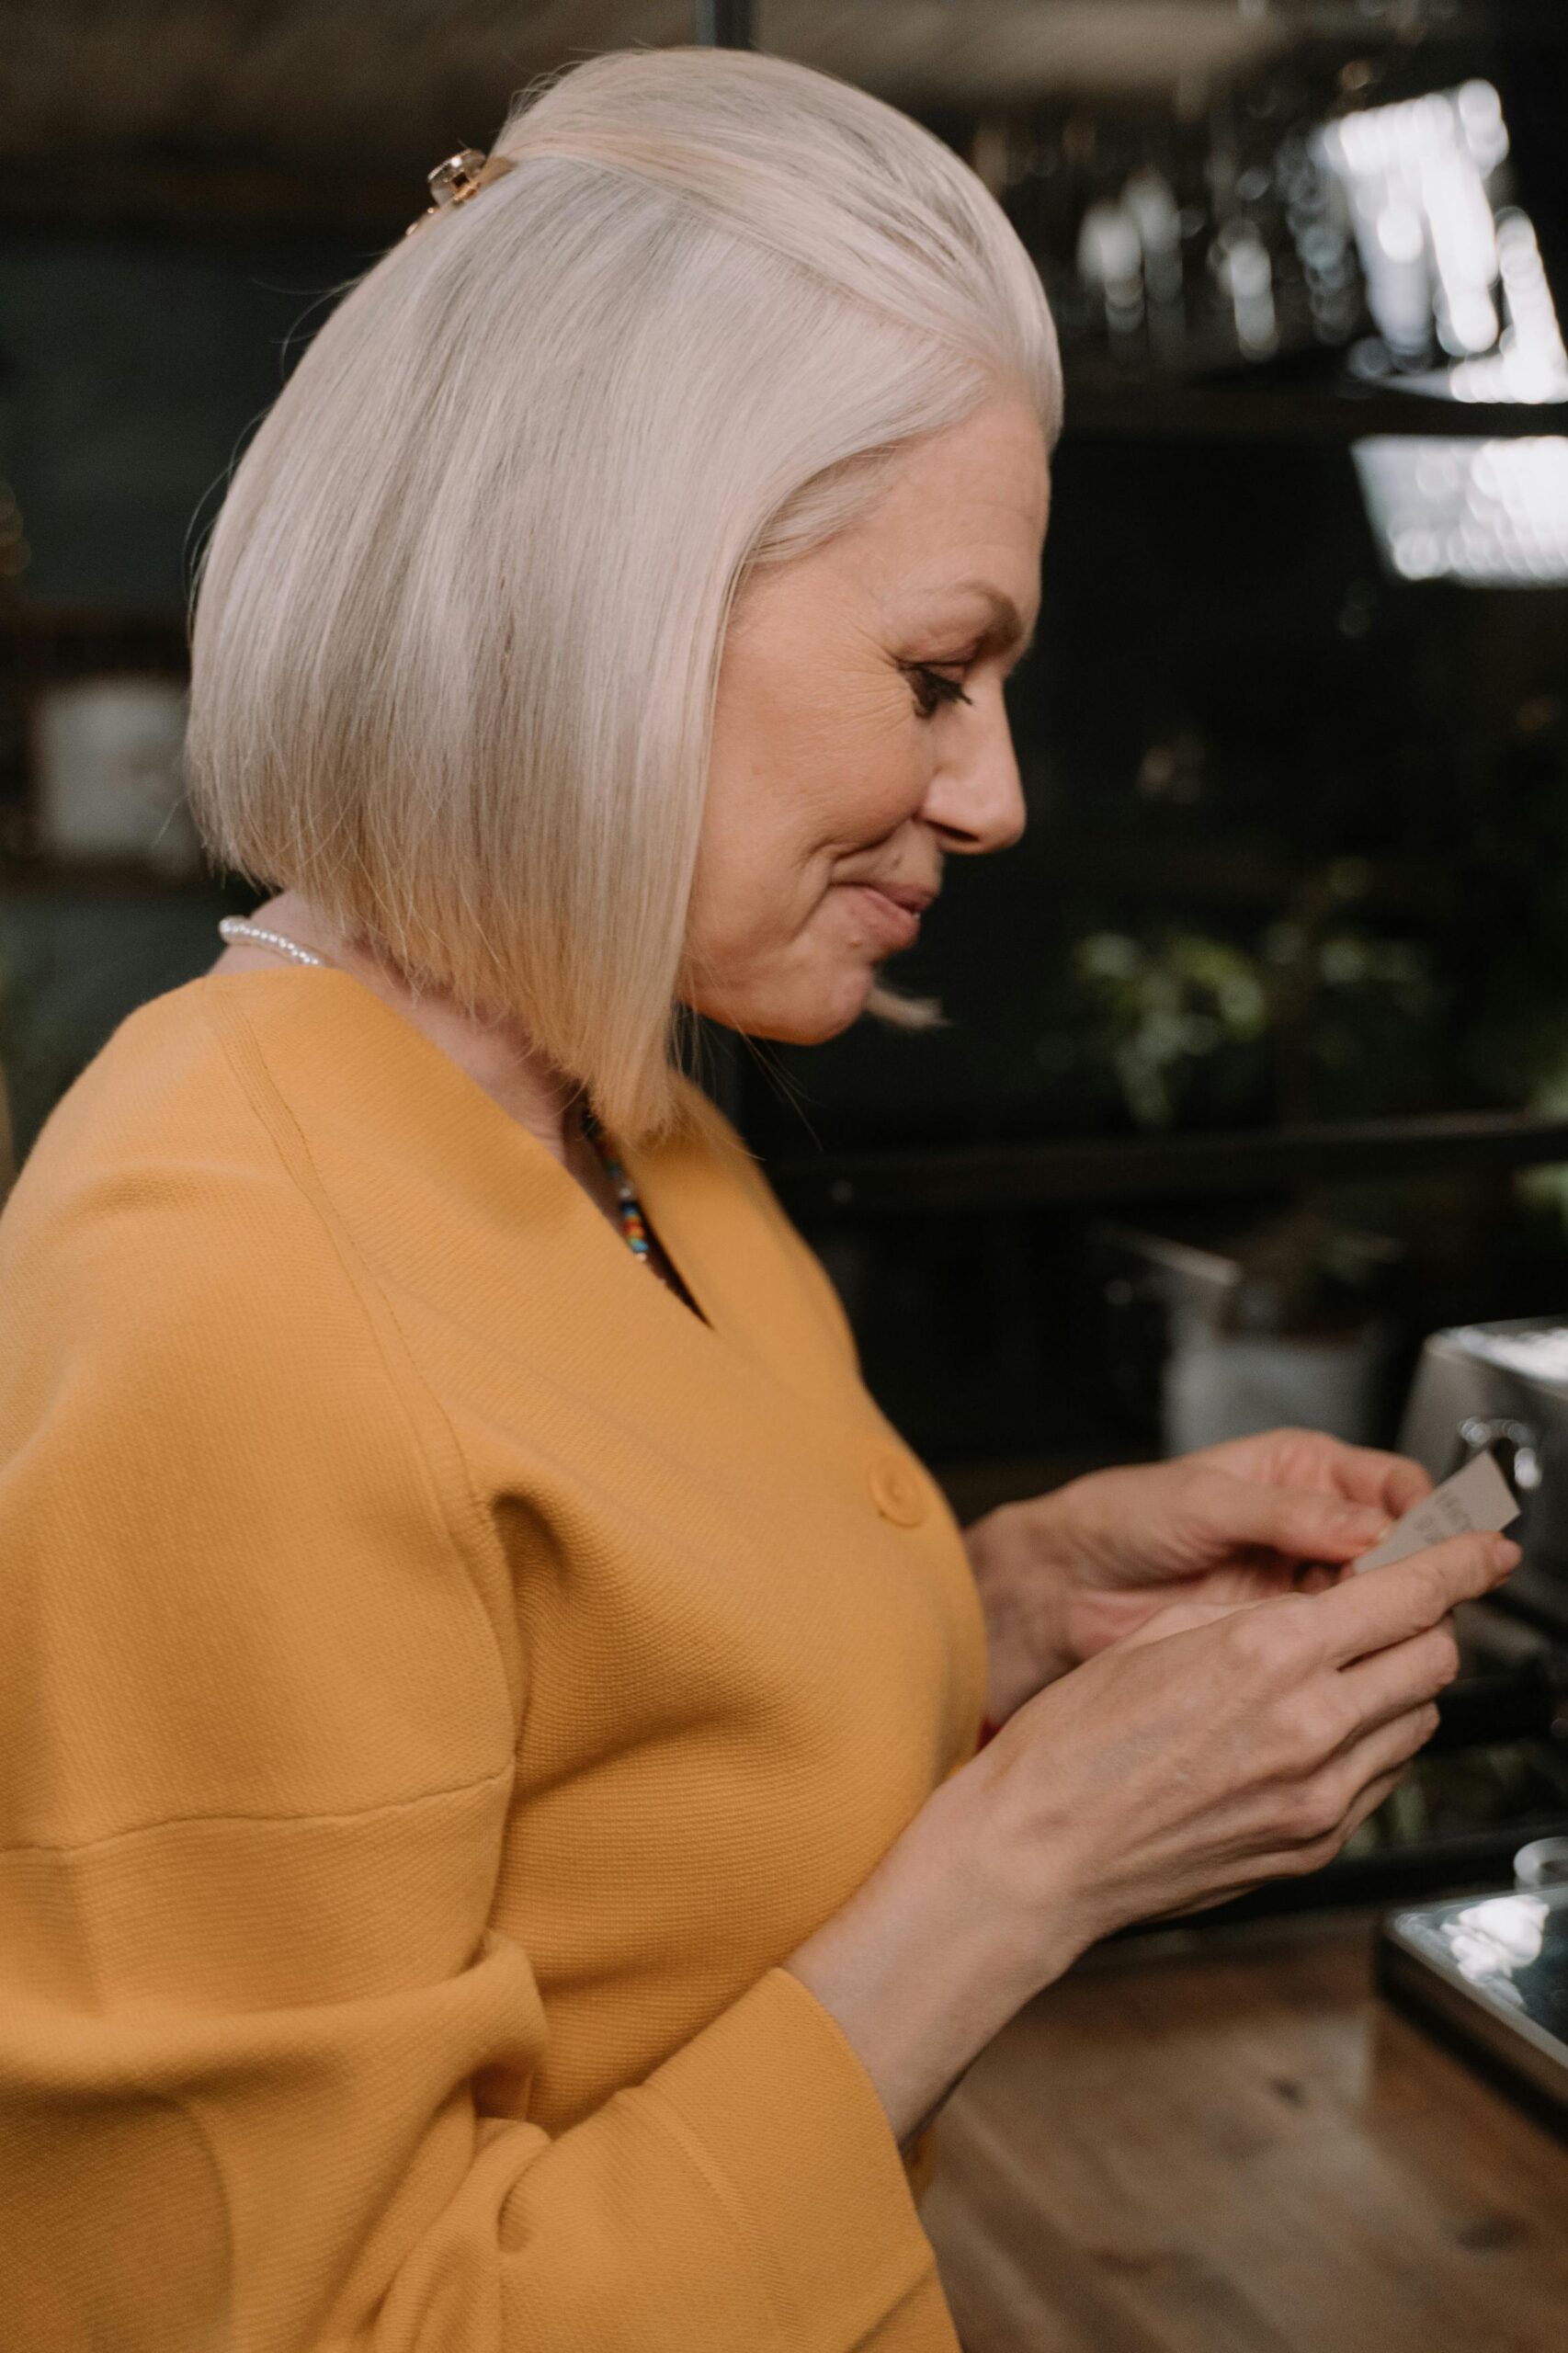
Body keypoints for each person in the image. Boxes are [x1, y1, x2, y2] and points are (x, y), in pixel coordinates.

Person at [0, 44, 1517, 2353]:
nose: (992, 792)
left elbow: (578, 1769)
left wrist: (1000, 1618)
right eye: (935, 672)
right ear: (605, 594)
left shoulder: (630, 1111)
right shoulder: (221, 1293)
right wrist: (1028, 1866)